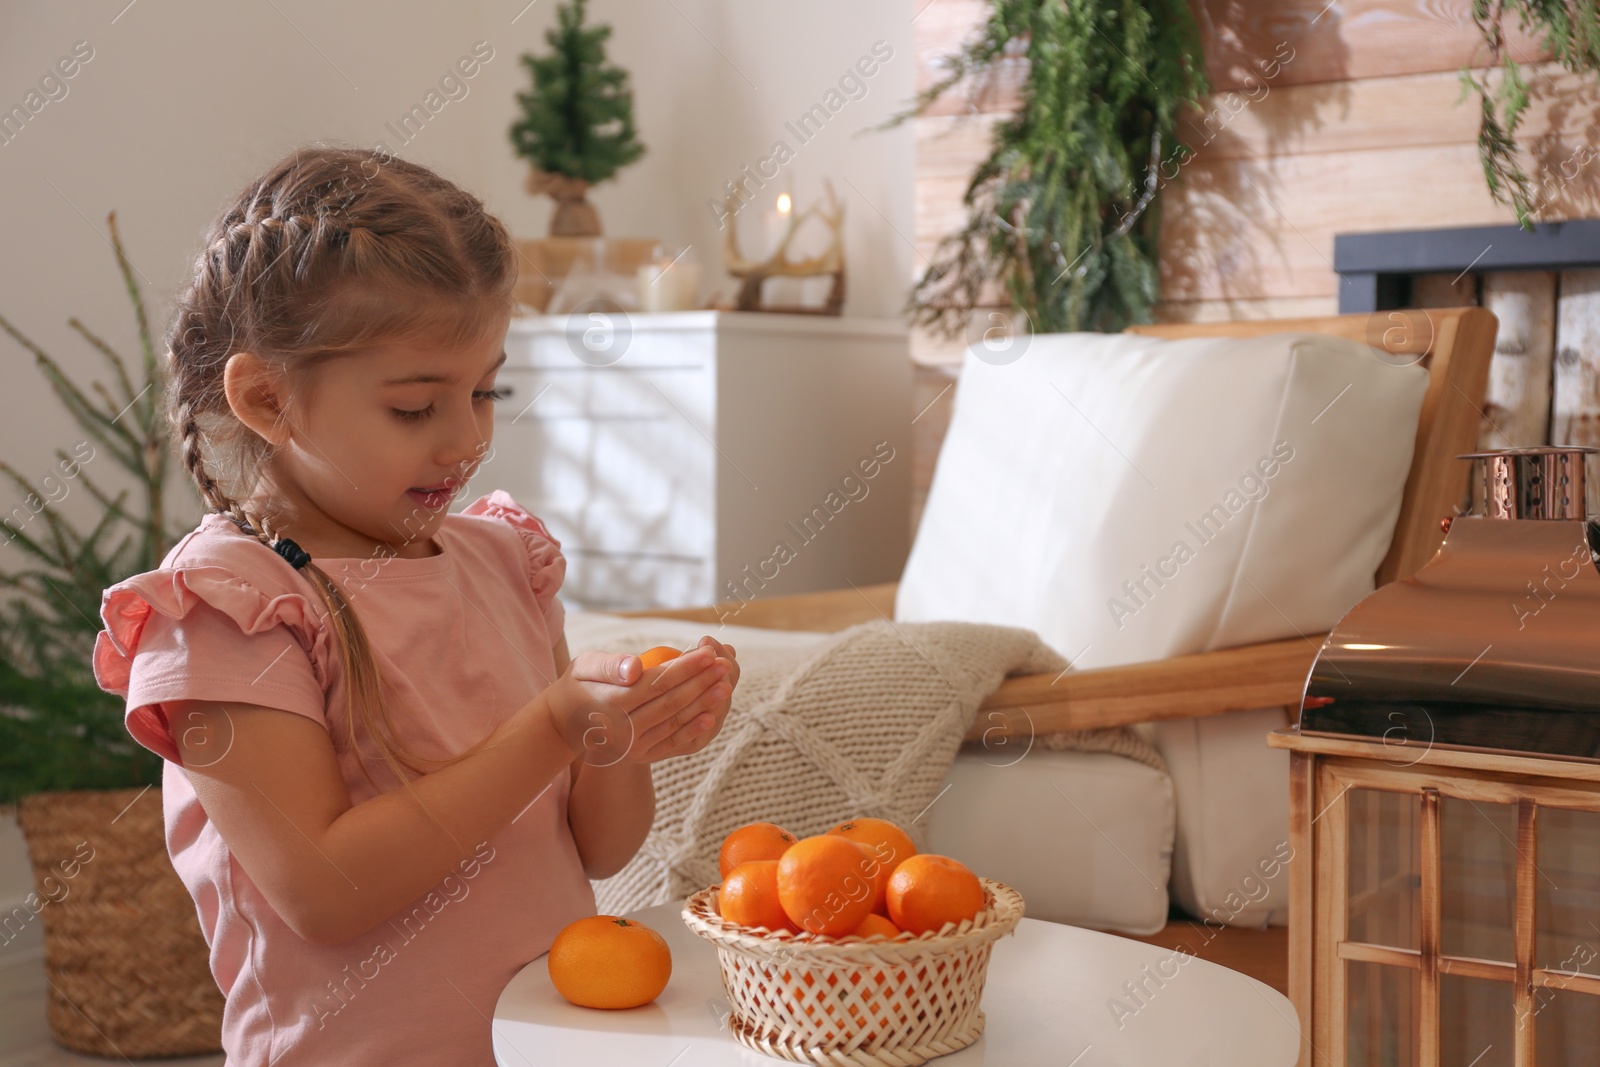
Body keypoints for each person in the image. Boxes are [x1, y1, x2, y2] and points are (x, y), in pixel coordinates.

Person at [91, 144, 738, 1066]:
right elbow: (325, 887)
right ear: (269, 398)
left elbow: (599, 846)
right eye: (414, 407)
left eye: (484, 391)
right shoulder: (229, 609)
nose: (468, 438)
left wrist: (616, 735)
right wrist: (553, 727)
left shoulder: (505, 560)